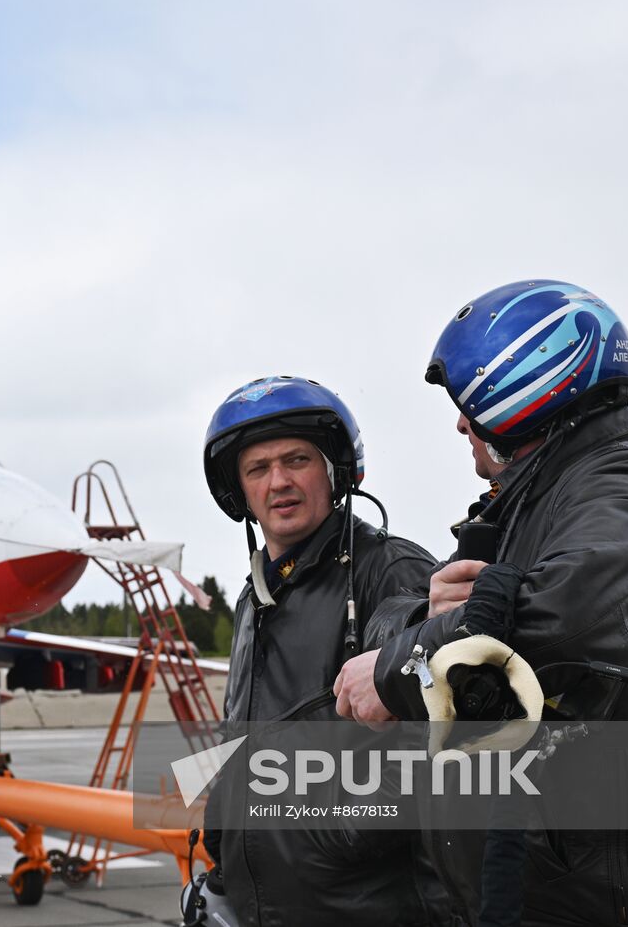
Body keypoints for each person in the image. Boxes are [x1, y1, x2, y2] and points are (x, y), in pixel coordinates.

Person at [332, 280, 628, 925]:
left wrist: (393, 669)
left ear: (521, 389)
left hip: (614, 902)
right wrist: (422, 622)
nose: (462, 424)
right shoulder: (533, 505)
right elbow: (479, 617)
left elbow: (559, 624)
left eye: (471, 404)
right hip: (538, 890)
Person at [200, 376, 444, 926]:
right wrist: (222, 850)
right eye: (258, 469)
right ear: (239, 491)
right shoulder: (254, 598)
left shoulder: (392, 572)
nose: (279, 481)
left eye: (296, 460)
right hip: (263, 905)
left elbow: (445, 744)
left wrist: (339, 834)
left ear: (333, 471)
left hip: (366, 907)